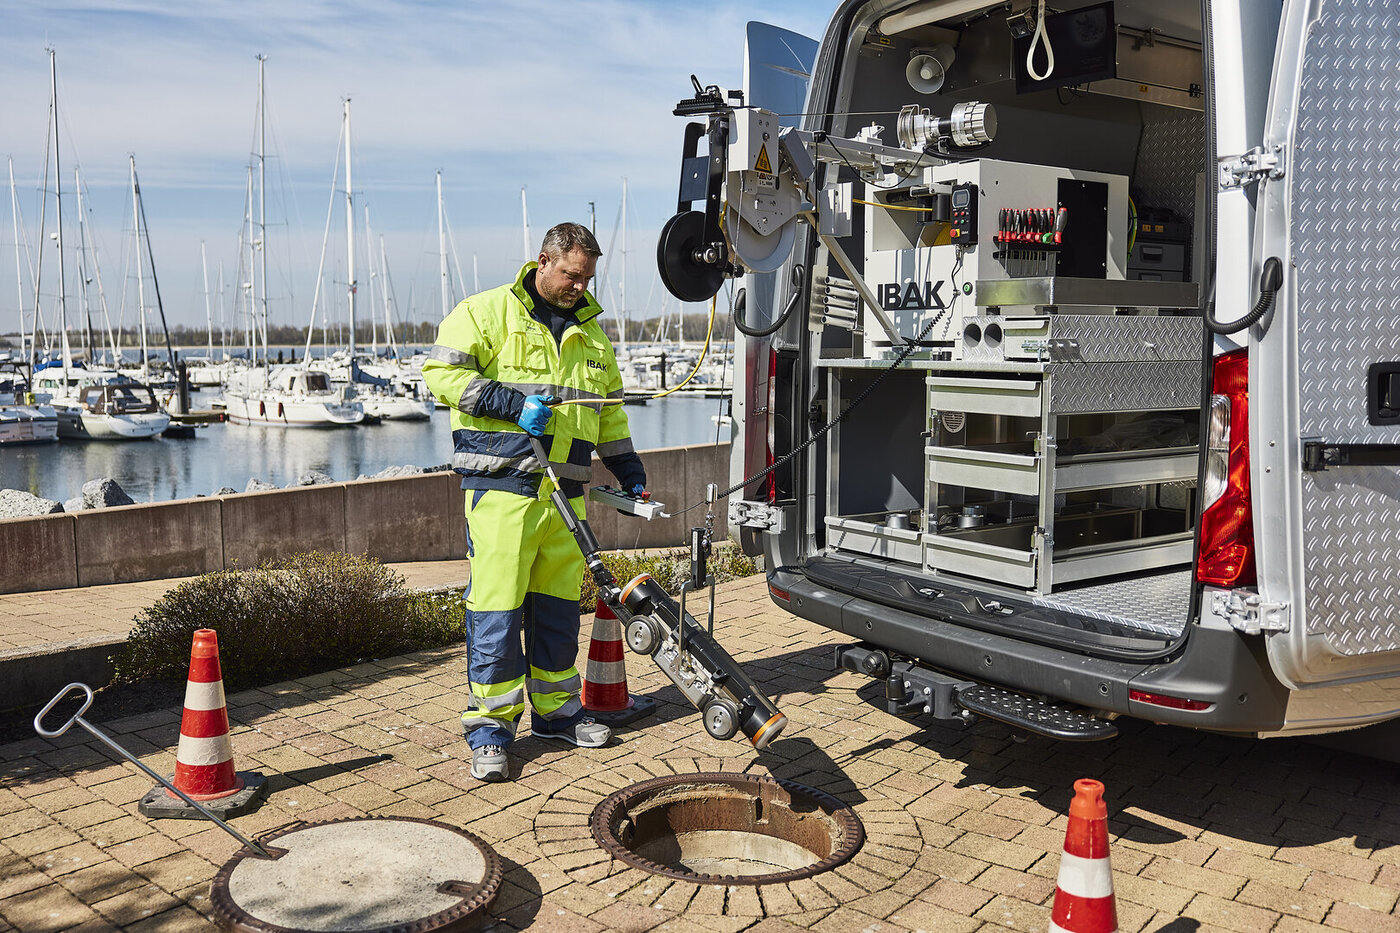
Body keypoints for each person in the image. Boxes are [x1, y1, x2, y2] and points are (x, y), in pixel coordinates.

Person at [421, 222, 647, 782]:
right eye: (571, 275)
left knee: (557, 610)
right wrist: (509, 404)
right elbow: (440, 373)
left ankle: (556, 712)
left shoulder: (593, 338)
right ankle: (490, 730)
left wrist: (629, 471)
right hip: (504, 488)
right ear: (542, 261)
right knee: (496, 611)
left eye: (587, 277)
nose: (579, 286)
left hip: (566, 497)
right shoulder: (486, 312)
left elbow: (610, 415)